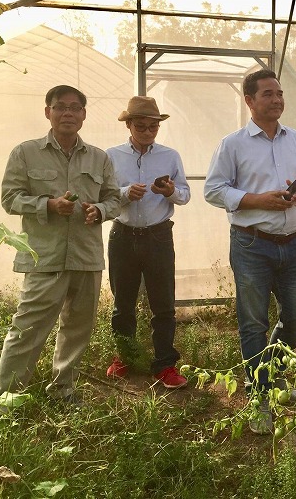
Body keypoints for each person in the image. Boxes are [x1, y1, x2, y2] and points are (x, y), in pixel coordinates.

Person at [204, 68, 296, 434]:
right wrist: (256, 200)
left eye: (280, 93)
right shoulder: (233, 144)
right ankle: (259, 399)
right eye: (268, 94)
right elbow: (213, 189)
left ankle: (273, 371)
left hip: (293, 243)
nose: (277, 99)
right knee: (253, 322)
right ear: (250, 101)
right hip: (251, 243)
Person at [0, 84, 121, 402]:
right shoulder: (26, 152)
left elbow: (113, 199)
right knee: (28, 327)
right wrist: (47, 205)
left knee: (78, 327)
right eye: (61, 106)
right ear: (47, 112)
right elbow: (10, 199)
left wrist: (100, 210)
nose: (68, 113)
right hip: (44, 255)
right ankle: (7, 397)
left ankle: (63, 390)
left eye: (76, 107)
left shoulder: (99, 158)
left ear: (83, 115)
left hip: (86, 255)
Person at [105, 96, 191, 389]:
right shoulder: (111, 156)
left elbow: (185, 195)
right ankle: (125, 357)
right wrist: (126, 193)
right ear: (128, 125)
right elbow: (103, 197)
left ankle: (165, 365)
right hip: (123, 235)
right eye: (141, 126)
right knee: (122, 303)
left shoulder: (170, 156)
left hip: (158, 235)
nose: (147, 131)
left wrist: (169, 191)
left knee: (163, 304)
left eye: (153, 126)